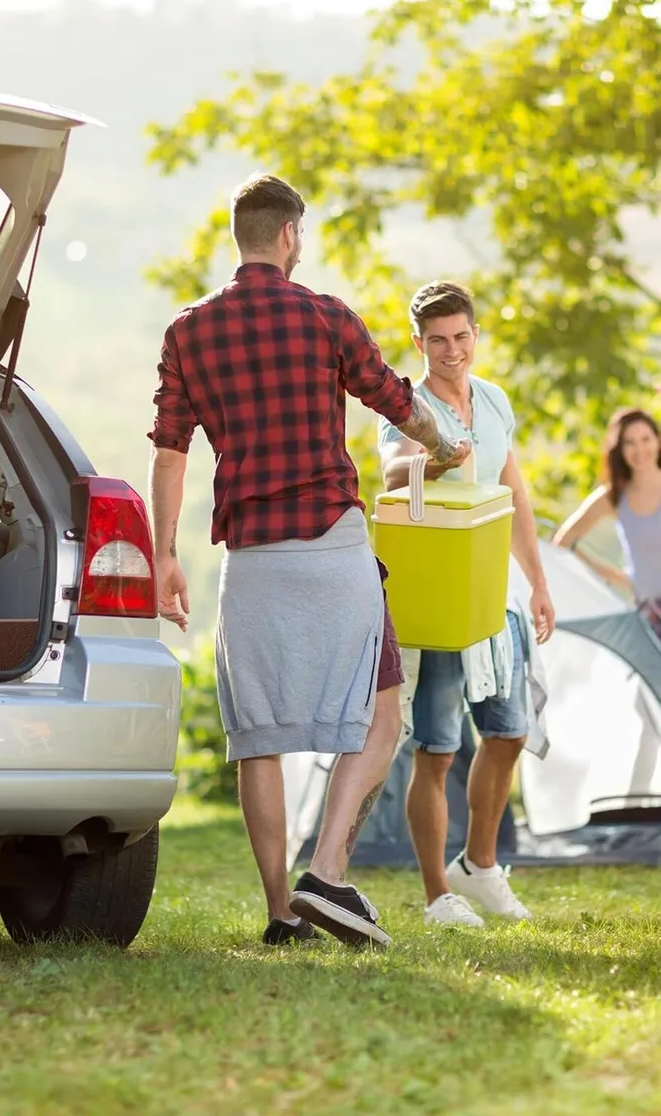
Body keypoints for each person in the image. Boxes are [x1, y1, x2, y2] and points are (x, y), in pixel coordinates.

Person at [148, 174, 467, 950]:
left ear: (242, 236)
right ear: (290, 235)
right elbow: (396, 399)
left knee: (260, 736)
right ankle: (326, 869)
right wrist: (446, 444)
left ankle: (282, 915)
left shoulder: (187, 331)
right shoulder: (326, 316)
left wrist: (163, 555)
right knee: (382, 710)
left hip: (250, 556)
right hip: (332, 543)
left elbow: (168, 451)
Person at [377, 280, 555, 929]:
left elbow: (516, 493)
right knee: (438, 748)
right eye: (438, 341)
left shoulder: (495, 400)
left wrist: (537, 581)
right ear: (419, 343)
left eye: (461, 337)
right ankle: (436, 896)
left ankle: (478, 868)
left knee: (509, 730)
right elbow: (391, 473)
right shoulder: (407, 403)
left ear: (474, 335)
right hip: (443, 597)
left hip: (497, 593)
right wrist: (438, 456)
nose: (452, 351)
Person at [552, 408, 661, 613]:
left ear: (658, 441)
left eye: (646, 439)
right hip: (649, 616)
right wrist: (604, 572)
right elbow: (562, 542)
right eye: (630, 442)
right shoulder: (613, 497)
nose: (639, 449)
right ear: (619, 449)